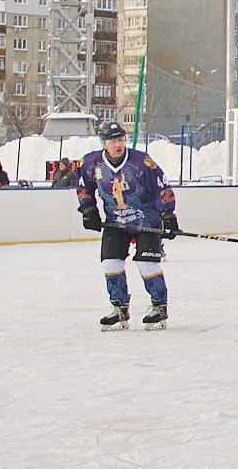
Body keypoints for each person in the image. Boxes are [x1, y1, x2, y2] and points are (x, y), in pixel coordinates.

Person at [74, 120, 178, 329]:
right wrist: (88, 210)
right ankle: (119, 308)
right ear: (104, 143)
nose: (118, 144)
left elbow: (161, 187)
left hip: (146, 221)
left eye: (121, 139)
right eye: (113, 141)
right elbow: (84, 187)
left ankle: (159, 306)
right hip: (116, 223)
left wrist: (168, 215)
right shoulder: (90, 163)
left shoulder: (141, 162)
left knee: (147, 263)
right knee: (110, 263)